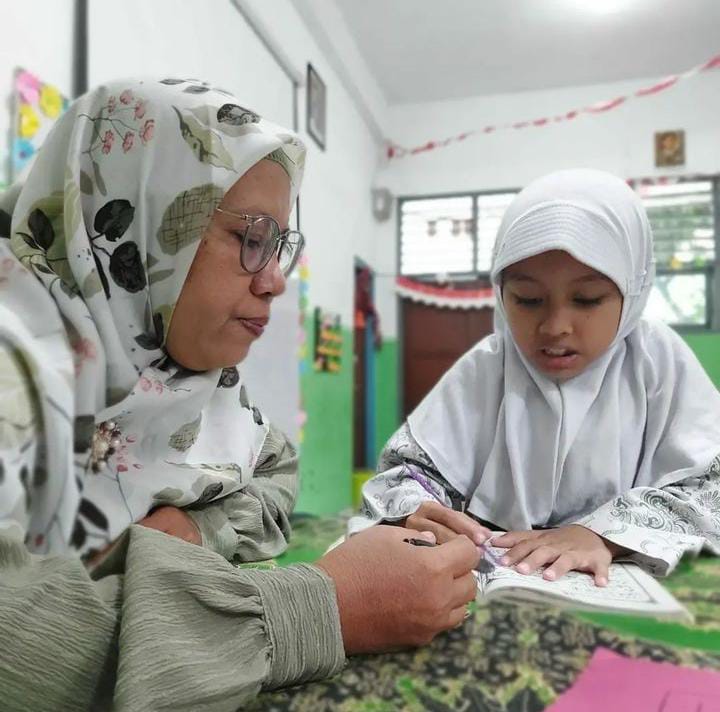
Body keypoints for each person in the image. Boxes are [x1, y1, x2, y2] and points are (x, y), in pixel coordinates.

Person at [0, 78, 480, 711]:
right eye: (251, 237)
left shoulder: (184, 376)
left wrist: (196, 526)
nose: (276, 281)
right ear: (133, 221)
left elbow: (273, 470)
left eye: (280, 244)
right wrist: (324, 607)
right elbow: (24, 649)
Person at [351, 168, 720, 586]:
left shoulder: (658, 364)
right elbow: (405, 475)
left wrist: (605, 533)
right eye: (528, 300)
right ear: (502, 294)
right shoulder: (488, 368)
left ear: (632, 291)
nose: (555, 326)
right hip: (499, 581)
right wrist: (417, 509)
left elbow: (712, 487)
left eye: (587, 299)